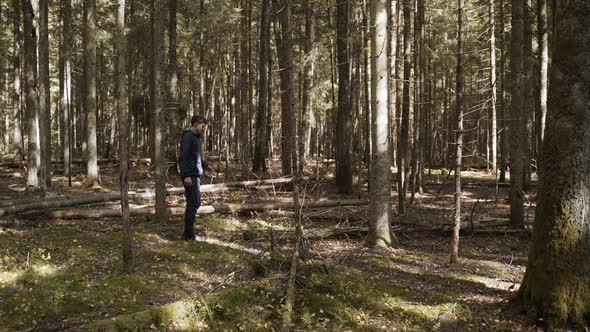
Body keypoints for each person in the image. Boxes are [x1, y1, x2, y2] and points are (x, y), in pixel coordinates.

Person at [179, 115, 209, 241]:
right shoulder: (188, 136)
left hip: (194, 174)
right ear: (197, 123)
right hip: (190, 175)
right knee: (194, 204)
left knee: (193, 204)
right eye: (202, 126)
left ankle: (188, 234)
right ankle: (190, 236)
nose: (203, 129)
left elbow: (194, 156)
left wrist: (204, 164)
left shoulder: (195, 137)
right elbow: (183, 157)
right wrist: (186, 176)